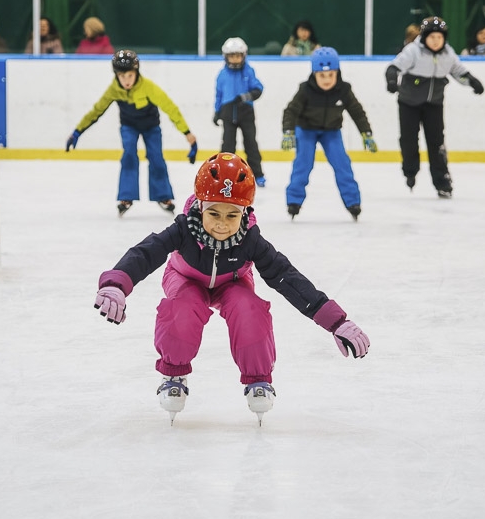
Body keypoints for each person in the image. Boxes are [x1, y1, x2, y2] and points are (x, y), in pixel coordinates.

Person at [90, 153, 371, 424]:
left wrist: (336, 322)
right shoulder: (183, 229)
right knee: (183, 308)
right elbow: (146, 253)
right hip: (185, 278)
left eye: (232, 215)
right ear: (200, 206)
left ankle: (258, 380)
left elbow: (286, 276)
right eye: (214, 213)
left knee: (249, 309)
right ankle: (173, 374)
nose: (222, 225)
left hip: (233, 282)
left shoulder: (250, 239)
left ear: (244, 212)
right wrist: (116, 284)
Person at [66, 50, 198, 216]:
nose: (126, 80)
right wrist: (77, 132)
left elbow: (170, 109)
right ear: (116, 75)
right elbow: (96, 111)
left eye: (130, 75)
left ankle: (163, 196)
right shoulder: (114, 90)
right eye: (122, 76)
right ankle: (126, 197)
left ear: (137, 72)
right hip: (129, 126)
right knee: (128, 154)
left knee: (156, 157)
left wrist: (187, 133)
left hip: (151, 127)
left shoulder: (148, 87)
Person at [384, 15, 484, 198]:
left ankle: (442, 182)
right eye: (432, 37)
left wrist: (472, 81)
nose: (436, 41)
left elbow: (459, 72)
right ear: (424, 37)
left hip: (434, 104)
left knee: (437, 143)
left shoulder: (448, 54)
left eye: (440, 37)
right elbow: (393, 68)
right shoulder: (413, 51)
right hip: (409, 104)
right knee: (409, 141)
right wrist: (392, 81)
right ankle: (410, 170)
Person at [282, 47, 377, 221]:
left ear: (338, 73)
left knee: (343, 165)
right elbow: (291, 111)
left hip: (331, 132)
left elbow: (357, 112)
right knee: (303, 165)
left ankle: (353, 203)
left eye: (331, 75)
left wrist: (366, 133)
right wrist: (288, 132)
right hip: (306, 130)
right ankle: (294, 201)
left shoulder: (343, 90)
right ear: (314, 74)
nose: (327, 80)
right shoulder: (305, 90)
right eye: (322, 76)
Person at [213, 37, 266, 186]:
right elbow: (218, 95)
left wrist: (245, 97)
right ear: (226, 57)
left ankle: (257, 174)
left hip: (246, 113)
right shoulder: (222, 75)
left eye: (238, 56)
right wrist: (217, 112)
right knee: (227, 146)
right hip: (228, 113)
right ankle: (224, 174)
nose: (235, 59)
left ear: (244, 56)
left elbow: (258, 89)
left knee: (251, 144)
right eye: (232, 56)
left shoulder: (249, 71)